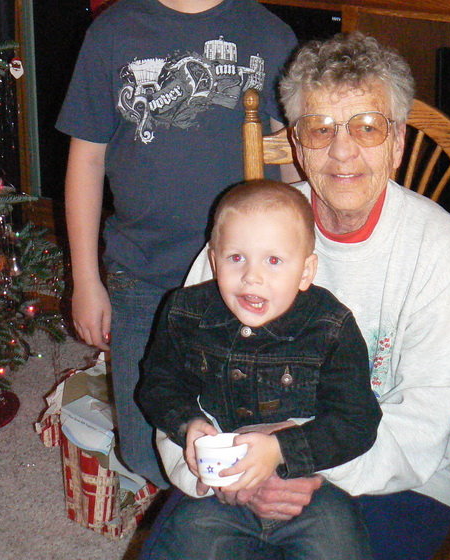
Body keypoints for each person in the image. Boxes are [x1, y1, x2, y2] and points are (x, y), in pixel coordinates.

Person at [153, 32, 450, 560]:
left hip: (391, 474)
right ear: (297, 146)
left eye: (367, 127)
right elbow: (176, 373)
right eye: (319, 128)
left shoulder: (437, 247)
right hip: (237, 466)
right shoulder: (249, 233)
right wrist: (215, 467)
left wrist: (297, 460)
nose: (342, 150)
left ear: (397, 142)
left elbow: (423, 419)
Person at [56, 0, 297, 486]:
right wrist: (86, 278)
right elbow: (85, 160)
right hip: (144, 276)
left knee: (235, 438)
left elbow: (292, 170)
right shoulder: (115, 34)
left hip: (243, 281)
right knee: (146, 451)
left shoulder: (271, 38)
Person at [138, 179, 381, 559]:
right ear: (214, 261)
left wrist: (281, 450)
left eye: (273, 260)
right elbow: (158, 383)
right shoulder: (186, 311)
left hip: (310, 492)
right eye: (237, 258)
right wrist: (187, 424)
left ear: (305, 271)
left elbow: (357, 420)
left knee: (339, 545)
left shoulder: (331, 325)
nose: (252, 276)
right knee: (183, 541)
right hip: (220, 491)